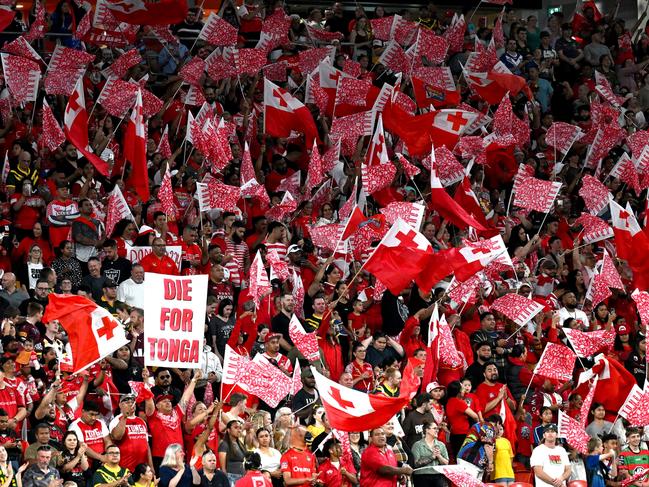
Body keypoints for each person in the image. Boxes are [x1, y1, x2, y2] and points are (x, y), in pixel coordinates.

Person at [411, 421, 448, 487]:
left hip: (438, 476)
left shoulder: (441, 445)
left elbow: (446, 462)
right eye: (434, 428)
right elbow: (415, 464)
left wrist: (439, 456)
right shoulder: (417, 445)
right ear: (427, 430)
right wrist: (432, 457)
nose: (437, 430)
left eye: (437, 429)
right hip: (422, 476)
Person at [218, 421, 246, 485]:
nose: (239, 430)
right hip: (231, 477)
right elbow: (223, 468)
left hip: (242, 476)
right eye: (236, 428)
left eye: (240, 428)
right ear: (228, 430)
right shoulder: (224, 444)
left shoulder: (240, 444)